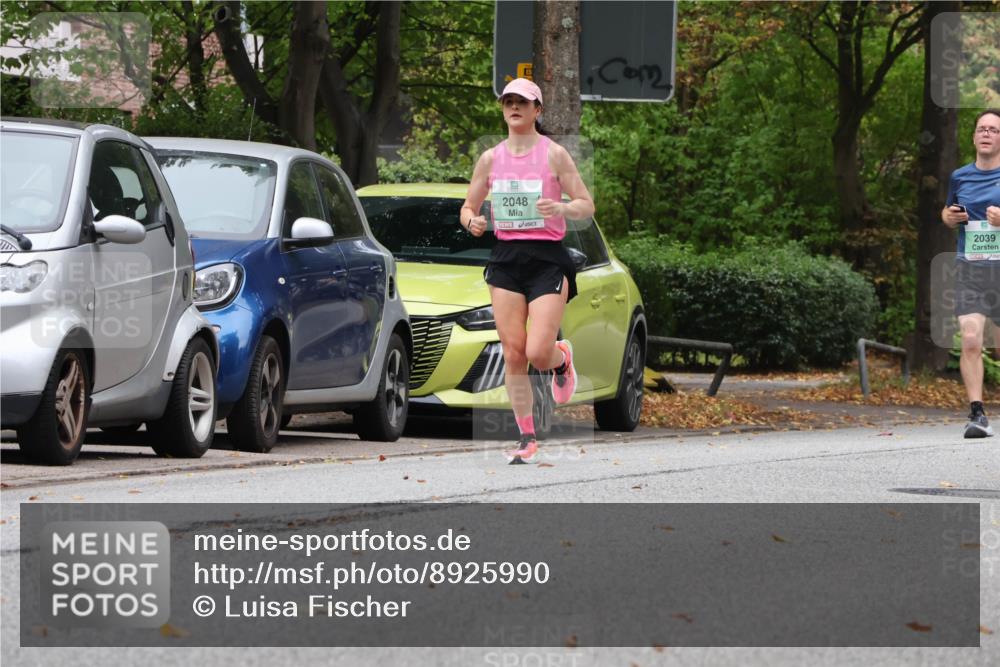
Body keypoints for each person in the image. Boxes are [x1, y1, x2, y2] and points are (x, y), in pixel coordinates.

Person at [460, 78, 595, 464]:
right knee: (514, 352)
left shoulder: (555, 155)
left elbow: (586, 204)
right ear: (503, 109)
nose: (515, 107)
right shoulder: (490, 159)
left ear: (538, 110)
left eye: (523, 102)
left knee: (537, 352)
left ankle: (561, 359)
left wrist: (562, 208)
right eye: (509, 102)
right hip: (506, 258)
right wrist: (473, 223)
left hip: (547, 258)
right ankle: (526, 436)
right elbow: (467, 208)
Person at [941, 108, 1000, 438]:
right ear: (974, 136)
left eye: (994, 129)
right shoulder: (960, 176)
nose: (986, 133)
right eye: (982, 129)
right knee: (971, 338)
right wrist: (949, 217)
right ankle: (977, 414)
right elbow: (946, 211)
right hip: (970, 269)